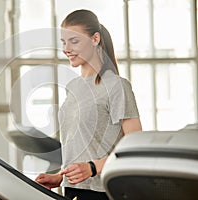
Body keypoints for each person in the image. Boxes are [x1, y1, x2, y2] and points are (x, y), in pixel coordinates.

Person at [35, 9, 142, 200]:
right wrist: (61, 176)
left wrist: (92, 168)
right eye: (63, 42)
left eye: (74, 41)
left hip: (106, 192)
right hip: (73, 190)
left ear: (95, 39)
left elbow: (136, 147)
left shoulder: (117, 86)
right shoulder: (73, 87)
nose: (66, 48)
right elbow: (80, 144)